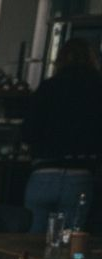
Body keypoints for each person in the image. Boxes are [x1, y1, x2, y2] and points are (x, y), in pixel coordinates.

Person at [22, 38, 102, 233]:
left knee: (31, 243)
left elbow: (28, 132)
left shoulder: (48, 87)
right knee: (69, 243)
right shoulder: (98, 88)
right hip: (81, 175)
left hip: (43, 172)